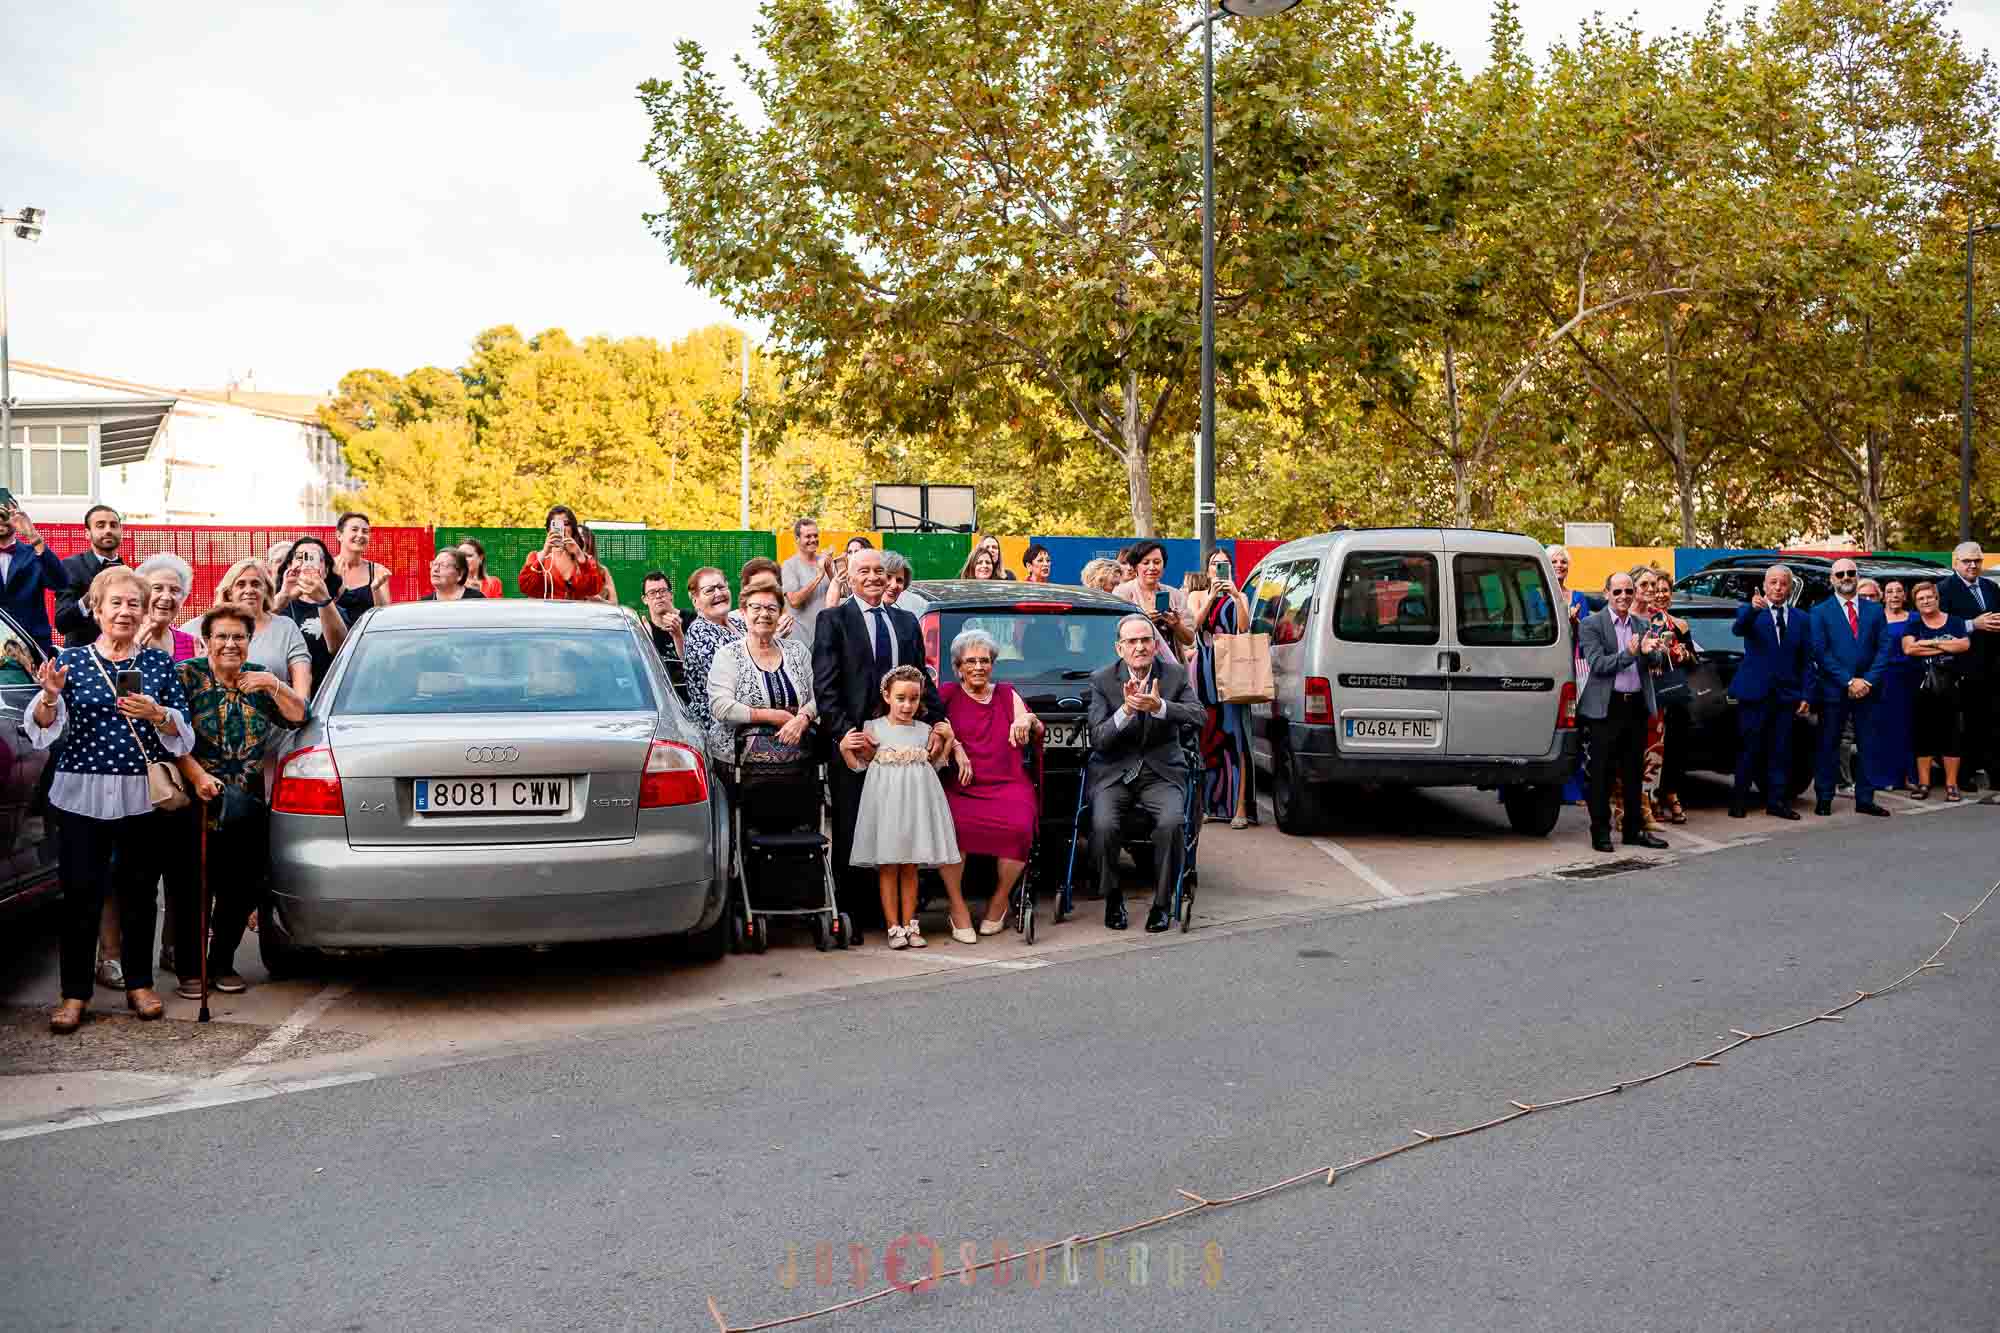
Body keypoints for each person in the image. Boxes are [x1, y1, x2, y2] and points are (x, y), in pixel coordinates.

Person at [27, 565, 194, 1034]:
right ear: (97, 610)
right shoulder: (70, 661)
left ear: (144, 613)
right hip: (79, 793)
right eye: (116, 603)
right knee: (80, 894)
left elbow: (183, 737)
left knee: (139, 891)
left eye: (133, 604)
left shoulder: (158, 664)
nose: (125, 612)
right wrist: (49, 697)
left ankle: (140, 985)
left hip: (139, 794)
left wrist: (158, 713)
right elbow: (43, 729)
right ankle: (74, 994)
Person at [169, 605, 309, 997]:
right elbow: (167, 734)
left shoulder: (259, 678)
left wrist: (275, 686)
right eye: (222, 636)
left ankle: (222, 963)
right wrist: (196, 774)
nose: (230, 644)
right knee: (191, 887)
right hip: (195, 798)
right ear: (206, 640)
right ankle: (190, 969)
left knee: (239, 888)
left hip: (244, 802)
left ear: (249, 642)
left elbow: (300, 717)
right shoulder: (187, 675)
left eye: (239, 637)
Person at [813, 547, 952, 928]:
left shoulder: (907, 622)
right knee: (855, 828)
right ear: (850, 577)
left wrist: (940, 721)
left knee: (900, 829)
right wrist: (846, 734)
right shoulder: (833, 620)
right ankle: (854, 916)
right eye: (865, 571)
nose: (874, 577)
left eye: (880, 571)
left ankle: (897, 917)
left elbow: (923, 680)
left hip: (903, 741)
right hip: (858, 744)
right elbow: (825, 688)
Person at [1085, 613, 1207, 931]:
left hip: (1161, 770)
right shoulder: (1102, 680)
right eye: (1132, 641)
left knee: (1171, 823)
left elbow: (1199, 716)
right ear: (1119, 648)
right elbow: (1098, 738)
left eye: (1145, 640)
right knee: (1103, 825)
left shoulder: (1175, 676)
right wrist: (1125, 710)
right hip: (1114, 771)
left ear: (1155, 645)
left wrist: (1161, 708)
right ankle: (1112, 898)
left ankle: (1163, 904)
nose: (1139, 647)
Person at [845, 664, 962, 949]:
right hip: (886, 805)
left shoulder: (924, 730)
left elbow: (936, 764)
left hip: (916, 805)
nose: (908, 705)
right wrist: (844, 746)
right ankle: (893, 927)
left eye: (914, 698)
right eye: (901, 698)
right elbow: (859, 765)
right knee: (888, 865)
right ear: (886, 696)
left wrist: (947, 740)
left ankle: (911, 924)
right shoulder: (873, 729)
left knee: (910, 866)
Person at [935, 629, 1040, 943]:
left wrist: (1027, 721)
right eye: (971, 661)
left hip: (1007, 782)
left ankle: (1000, 899)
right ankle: (956, 905)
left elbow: (1029, 722)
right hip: (962, 785)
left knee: (1019, 826)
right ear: (958, 667)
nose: (978, 667)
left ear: (993, 664)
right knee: (950, 827)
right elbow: (935, 726)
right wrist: (955, 746)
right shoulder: (948, 694)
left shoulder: (1007, 693)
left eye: (985, 660)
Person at [1578, 573, 1670, 854]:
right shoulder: (1592, 624)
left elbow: (1652, 663)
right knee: (1602, 773)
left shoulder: (1642, 624)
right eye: (1617, 591)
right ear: (1606, 592)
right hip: (1607, 708)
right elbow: (1598, 664)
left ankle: (1633, 830)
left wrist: (1654, 651)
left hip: (1636, 706)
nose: (1624, 597)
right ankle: (1601, 832)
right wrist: (1631, 653)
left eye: (1628, 591)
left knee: (1633, 773)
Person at [1806, 557, 1893, 818]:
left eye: (1850, 573)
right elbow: (1821, 652)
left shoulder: (1875, 610)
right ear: (1832, 579)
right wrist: (1848, 680)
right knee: (1828, 745)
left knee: (1869, 744)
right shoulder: (1820, 612)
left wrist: (1866, 681)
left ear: (1857, 576)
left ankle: (1865, 799)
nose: (1846, 577)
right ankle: (1824, 797)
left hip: (1869, 689)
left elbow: (1884, 648)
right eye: (1840, 574)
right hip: (1835, 690)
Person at [1727, 565, 1809, 820]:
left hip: (1786, 695)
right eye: (1772, 582)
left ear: (1789, 588)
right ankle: (1738, 801)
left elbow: (1806, 660)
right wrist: (1752, 609)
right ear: (1764, 586)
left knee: (1781, 751)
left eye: (1783, 583)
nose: (1777, 587)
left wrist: (1806, 695)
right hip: (1754, 693)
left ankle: (1777, 802)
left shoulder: (1801, 619)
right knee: (1749, 748)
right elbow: (1738, 629)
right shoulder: (1751, 612)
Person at [704, 584, 816, 759]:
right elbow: (721, 707)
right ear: (743, 612)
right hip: (740, 768)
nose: (764, 614)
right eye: (756, 607)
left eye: (772, 608)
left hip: (798, 765)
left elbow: (819, 695)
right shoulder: (728, 655)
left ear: (780, 614)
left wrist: (803, 718)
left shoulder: (797, 650)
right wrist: (771, 716)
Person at [1186, 567, 1257, 829]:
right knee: (1206, 738)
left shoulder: (1240, 596)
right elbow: (1193, 626)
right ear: (1207, 570)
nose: (1219, 569)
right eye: (1215, 564)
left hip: (1233, 670)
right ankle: (1206, 805)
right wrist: (1211, 598)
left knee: (1235, 737)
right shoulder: (1196, 595)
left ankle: (1239, 808)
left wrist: (1237, 597)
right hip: (1204, 670)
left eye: (1224, 564)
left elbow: (1243, 628)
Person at [1937, 542, 2000, 792]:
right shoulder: (1944, 590)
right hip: (1960, 669)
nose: (1973, 565)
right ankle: (1965, 775)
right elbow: (1939, 628)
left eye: (1977, 561)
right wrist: (1973, 624)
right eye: (1967, 561)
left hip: (1993, 666)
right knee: (1965, 726)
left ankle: (1994, 772)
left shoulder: (1990, 587)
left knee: (1993, 721)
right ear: (1955, 562)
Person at [1904, 581, 1972, 801]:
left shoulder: (1954, 621)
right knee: (1923, 736)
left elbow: (1963, 646)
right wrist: (1943, 642)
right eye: (1921, 599)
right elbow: (1909, 648)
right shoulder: (1913, 624)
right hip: (1922, 687)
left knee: (1951, 735)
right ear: (1916, 603)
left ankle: (1951, 785)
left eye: (1929, 597)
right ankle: (1924, 784)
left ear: (1937, 598)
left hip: (1950, 686)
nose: (1926, 601)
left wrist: (1928, 642)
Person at [210, 558, 313, 698]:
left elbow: (302, 691)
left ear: (266, 590)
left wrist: (300, 713)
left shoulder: (286, 627)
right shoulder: (208, 628)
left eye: (255, 584)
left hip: (275, 717)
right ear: (229, 593)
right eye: (241, 584)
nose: (249, 590)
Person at [1643, 566, 1692, 826]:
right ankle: (1651, 798)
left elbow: (1694, 660)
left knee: (1676, 747)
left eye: (1665, 590)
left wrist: (1683, 653)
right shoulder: (1642, 621)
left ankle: (1670, 792)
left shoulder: (1680, 624)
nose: (1660, 594)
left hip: (1675, 694)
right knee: (1652, 749)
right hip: (1651, 693)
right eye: (1655, 589)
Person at [270, 537, 348, 694]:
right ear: (290, 566)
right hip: (280, 696)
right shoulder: (277, 605)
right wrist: (284, 596)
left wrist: (324, 601)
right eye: (300, 557)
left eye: (313, 557)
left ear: (325, 570)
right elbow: (253, 629)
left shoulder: (336, 611)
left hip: (324, 696)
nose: (306, 562)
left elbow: (340, 650)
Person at [1547, 544, 1590, 805]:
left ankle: (1572, 791)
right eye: (1554, 561)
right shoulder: (1535, 595)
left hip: (1573, 671)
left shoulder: (1579, 597)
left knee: (1573, 729)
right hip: (1546, 668)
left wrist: (1575, 623)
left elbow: (1586, 636)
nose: (1560, 565)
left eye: (1564, 561)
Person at [1867, 579, 1919, 797]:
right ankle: (1886, 777)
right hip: (1883, 678)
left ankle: (1911, 776)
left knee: (1909, 726)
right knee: (1884, 727)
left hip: (1911, 677)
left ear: (1905, 596)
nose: (1894, 595)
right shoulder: (1875, 619)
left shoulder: (1915, 618)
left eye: (1899, 591)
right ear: (1883, 596)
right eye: (1890, 591)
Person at [0, 504, 69, 656]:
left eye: (5, 513)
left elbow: (60, 582)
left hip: (33, 642)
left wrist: (33, 536)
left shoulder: (35, 553)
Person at [55, 503, 125, 647]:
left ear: (121, 530)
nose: (108, 530)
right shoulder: (70, 566)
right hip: (81, 659)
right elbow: (62, 623)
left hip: (122, 657)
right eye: (100, 525)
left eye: (113, 525)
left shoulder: (129, 572)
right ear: (87, 533)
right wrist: (90, 598)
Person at [681, 566, 740, 736]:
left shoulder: (738, 623)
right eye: (709, 590)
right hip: (719, 728)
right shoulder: (699, 632)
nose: (718, 594)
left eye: (721, 587)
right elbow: (732, 679)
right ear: (695, 601)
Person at [1113, 540, 1193, 653]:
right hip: (1136, 662)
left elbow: (1189, 640)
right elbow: (1115, 633)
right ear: (1136, 566)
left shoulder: (1176, 595)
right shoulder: (1122, 593)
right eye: (1145, 563)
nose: (1152, 567)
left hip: (1171, 665)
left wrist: (1176, 624)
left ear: (1163, 565)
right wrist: (1143, 620)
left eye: (1157, 562)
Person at [518, 505, 606, 601]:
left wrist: (579, 554)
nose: (563, 528)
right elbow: (525, 588)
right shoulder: (536, 557)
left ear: (573, 528)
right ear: (549, 530)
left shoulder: (584, 559)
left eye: (566, 524)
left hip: (577, 614)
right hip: (546, 614)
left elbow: (593, 589)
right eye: (557, 525)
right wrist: (544, 552)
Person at [330, 511, 394, 623]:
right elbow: (320, 609)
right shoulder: (327, 569)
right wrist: (335, 584)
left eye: (365, 531)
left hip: (369, 637)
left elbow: (386, 617)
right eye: (354, 530)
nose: (360, 535)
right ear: (339, 535)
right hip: (334, 637)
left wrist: (375, 589)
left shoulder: (377, 571)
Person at [781, 518, 833, 645]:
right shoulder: (789, 566)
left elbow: (842, 594)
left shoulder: (825, 561)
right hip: (801, 639)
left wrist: (829, 570)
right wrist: (819, 576)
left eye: (815, 535)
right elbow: (794, 601)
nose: (813, 540)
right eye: (808, 536)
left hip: (826, 636)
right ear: (797, 539)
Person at [639, 570, 688, 698]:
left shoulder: (691, 620)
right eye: (652, 593)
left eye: (662, 591)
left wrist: (678, 634)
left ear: (671, 595)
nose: (658, 596)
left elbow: (694, 663)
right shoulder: (644, 629)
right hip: (665, 699)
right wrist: (648, 640)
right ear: (644, 599)